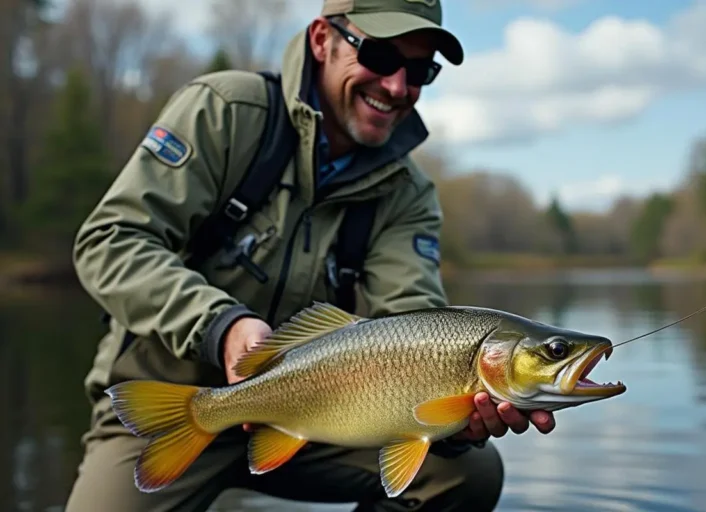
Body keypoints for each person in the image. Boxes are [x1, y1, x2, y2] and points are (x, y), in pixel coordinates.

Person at [65, 1, 556, 511]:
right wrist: (223, 328)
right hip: (170, 398)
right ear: (322, 39)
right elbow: (112, 240)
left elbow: (412, 320)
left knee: (467, 472)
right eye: (382, 56)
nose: (397, 86)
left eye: (419, 70)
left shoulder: (408, 193)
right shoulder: (226, 111)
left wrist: (457, 422)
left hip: (324, 414)